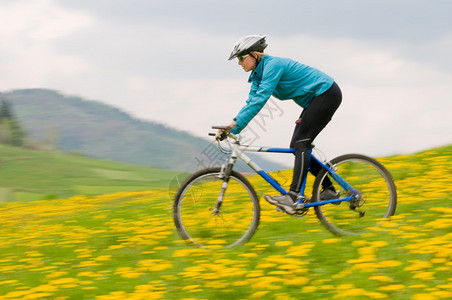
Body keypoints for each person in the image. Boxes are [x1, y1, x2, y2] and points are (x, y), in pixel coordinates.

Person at [216, 34, 342, 215]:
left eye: (242, 58)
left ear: (255, 54)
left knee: (301, 144)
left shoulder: (272, 65)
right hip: (316, 100)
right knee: (298, 145)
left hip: (326, 93)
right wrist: (232, 127)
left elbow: (260, 99)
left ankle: (293, 196)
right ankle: (328, 190)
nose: (239, 63)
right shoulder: (257, 76)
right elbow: (251, 102)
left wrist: (234, 125)